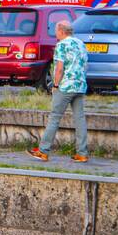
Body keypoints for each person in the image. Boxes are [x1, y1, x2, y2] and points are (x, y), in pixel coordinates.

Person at [30, 20, 89, 163]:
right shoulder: (81, 44)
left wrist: (55, 85)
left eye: (56, 31)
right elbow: (85, 65)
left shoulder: (61, 45)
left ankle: (43, 151)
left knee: (54, 117)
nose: (55, 34)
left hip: (66, 86)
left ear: (61, 31)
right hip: (80, 85)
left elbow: (59, 68)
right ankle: (82, 153)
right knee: (80, 119)